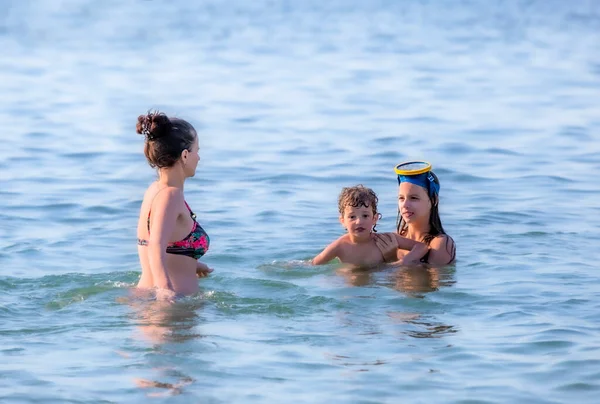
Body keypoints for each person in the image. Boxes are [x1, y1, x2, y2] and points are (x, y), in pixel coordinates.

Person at [135, 111, 212, 300]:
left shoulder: (155, 190)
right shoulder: (171, 195)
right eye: (197, 151)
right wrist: (165, 290)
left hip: (149, 298)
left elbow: (164, 244)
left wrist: (190, 263)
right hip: (172, 306)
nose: (199, 158)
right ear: (185, 155)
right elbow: (155, 246)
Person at [312, 185, 428, 267]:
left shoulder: (385, 240)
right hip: (350, 291)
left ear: (374, 218)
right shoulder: (340, 246)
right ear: (342, 221)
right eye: (352, 217)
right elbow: (314, 264)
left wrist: (402, 263)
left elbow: (422, 247)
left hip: (375, 290)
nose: (359, 222)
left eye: (365, 216)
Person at [375, 162, 456, 266]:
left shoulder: (439, 244)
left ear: (433, 200)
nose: (405, 205)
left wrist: (392, 257)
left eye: (414, 198)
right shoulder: (395, 239)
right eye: (401, 198)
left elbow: (434, 281)